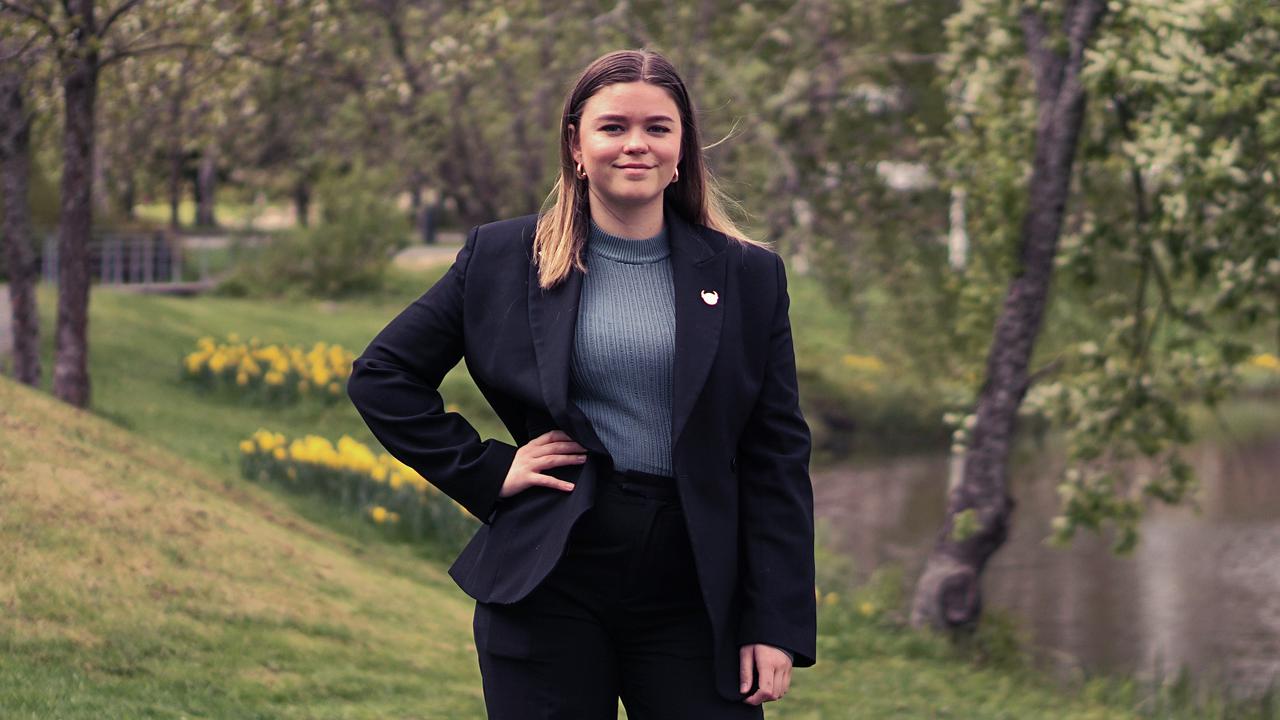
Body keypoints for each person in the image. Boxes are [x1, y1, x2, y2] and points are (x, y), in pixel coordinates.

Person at [347, 48, 815, 720]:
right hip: (550, 578)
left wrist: (775, 620)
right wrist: (488, 470)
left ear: (682, 149)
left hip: (694, 590)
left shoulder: (749, 277)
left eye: (658, 128)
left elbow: (777, 456)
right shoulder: (503, 257)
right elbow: (383, 376)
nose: (636, 145)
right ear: (575, 144)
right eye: (612, 126)